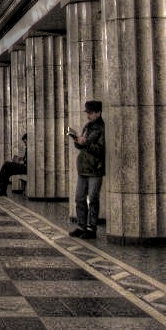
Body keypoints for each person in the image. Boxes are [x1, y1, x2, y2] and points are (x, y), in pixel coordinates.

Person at [69, 101, 106, 239]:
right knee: (79, 198)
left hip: (95, 168)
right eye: (87, 112)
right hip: (83, 168)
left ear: (98, 113)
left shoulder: (102, 129)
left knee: (93, 199)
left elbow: (101, 150)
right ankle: (81, 226)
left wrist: (86, 143)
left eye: (90, 113)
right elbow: (82, 146)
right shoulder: (87, 126)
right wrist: (77, 141)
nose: (88, 115)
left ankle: (91, 228)